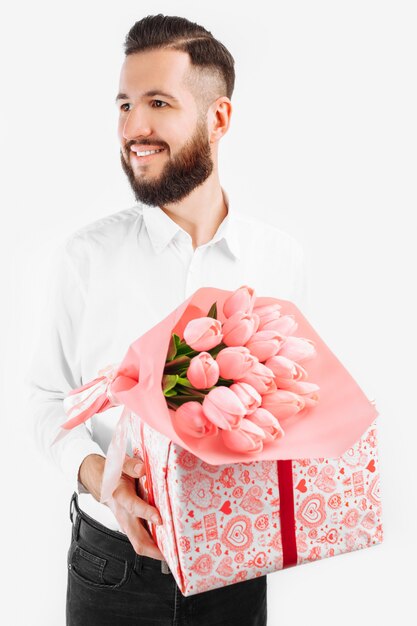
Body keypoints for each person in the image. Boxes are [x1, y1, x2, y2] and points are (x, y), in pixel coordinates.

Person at [28, 13, 309, 626]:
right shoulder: (85, 258)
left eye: (158, 103)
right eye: (124, 105)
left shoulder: (279, 260)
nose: (135, 128)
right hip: (112, 570)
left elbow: (291, 402)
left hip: (234, 566)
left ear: (219, 118)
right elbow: (46, 401)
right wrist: (103, 478)